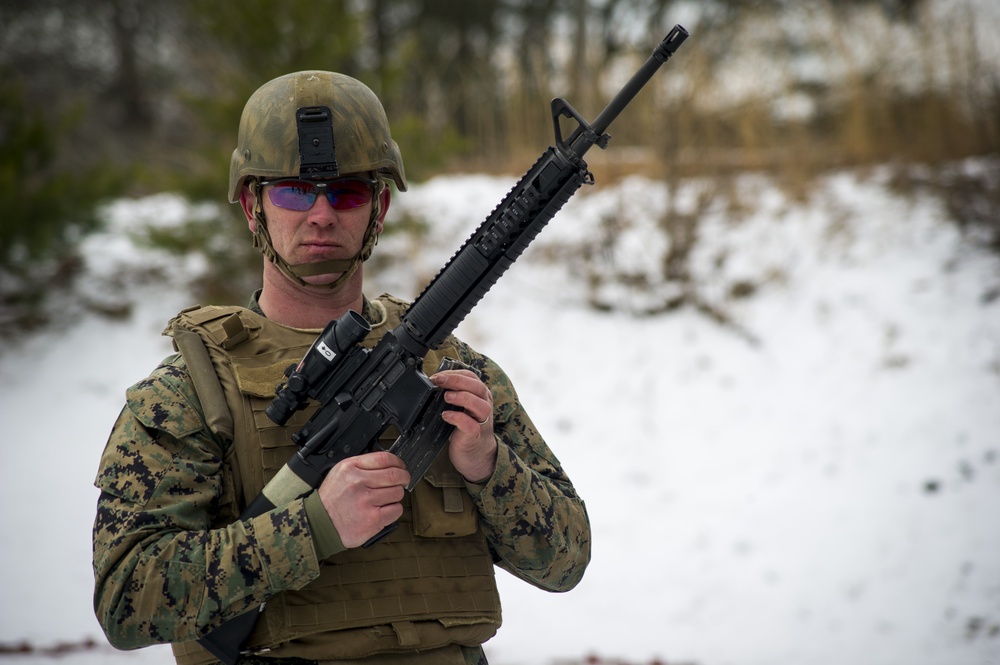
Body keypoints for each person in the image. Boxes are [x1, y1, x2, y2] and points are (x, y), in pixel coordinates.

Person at [92, 70, 591, 665]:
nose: (322, 215)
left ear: (378, 207)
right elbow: (127, 599)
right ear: (253, 206)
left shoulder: (456, 368)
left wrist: (488, 468)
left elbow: (566, 562)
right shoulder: (190, 392)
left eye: (347, 193)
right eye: (295, 193)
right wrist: (314, 527)